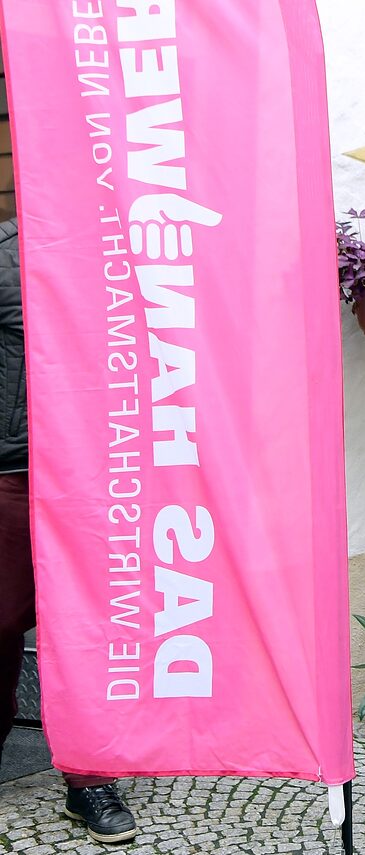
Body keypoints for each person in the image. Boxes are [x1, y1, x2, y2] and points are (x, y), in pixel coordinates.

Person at [0, 219, 138, 844]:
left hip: (96, 469)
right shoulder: (4, 252)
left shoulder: (116, 249)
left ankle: (89, 777)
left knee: (84, 627)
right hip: (12, 470)